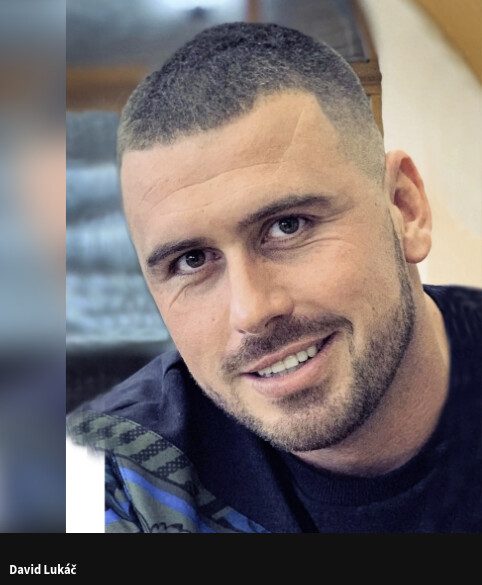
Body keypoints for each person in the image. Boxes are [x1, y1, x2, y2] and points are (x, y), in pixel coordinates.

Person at [68, 22, 482, 533]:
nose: (252, 310)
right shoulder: (109, 475)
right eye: (192, 261)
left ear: (404, 208)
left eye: (288, 226)